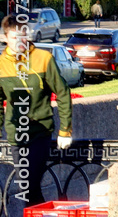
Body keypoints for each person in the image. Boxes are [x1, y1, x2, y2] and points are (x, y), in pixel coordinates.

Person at [0, 14, 73, 206]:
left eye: (23, 36)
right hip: (17, 134)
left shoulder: (43, 58)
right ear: (5, 38)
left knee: (29, 184)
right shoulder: (1, 64)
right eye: (15, 37)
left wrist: (65, 131)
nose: (20, 41)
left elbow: (63, 93)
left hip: (40, 131)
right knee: (27, 188)